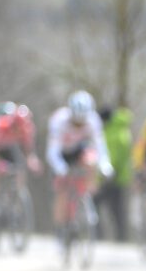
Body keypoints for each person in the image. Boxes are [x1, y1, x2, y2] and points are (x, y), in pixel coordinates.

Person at [46, 91, 113, 235]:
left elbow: (100, 146)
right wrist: (61, 168)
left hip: (79, 151)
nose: (78, 126)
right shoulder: (59, 120)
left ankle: (87, 196)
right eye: (75, 123)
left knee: (91, 160)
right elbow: (52, 151)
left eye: (81, 123)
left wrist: (105, 165)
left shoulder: (93, 120)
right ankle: (60, 229)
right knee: (62, 193)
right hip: (61, 154)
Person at [97, 105, 134, 242]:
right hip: (106, 175)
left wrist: (115, 171)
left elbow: (121, 154)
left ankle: (121, 237)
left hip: (117, 176)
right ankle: (101, 234)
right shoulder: (107, 129)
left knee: (116, 207)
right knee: (101, 204)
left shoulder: (118, 131)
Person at [0, 101, 43, 180]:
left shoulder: (27, 130)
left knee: (19, 167)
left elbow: (28, 150)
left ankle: (19, 189)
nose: (19, 132)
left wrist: (32, 160)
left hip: (8, 147)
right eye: (16, 127)